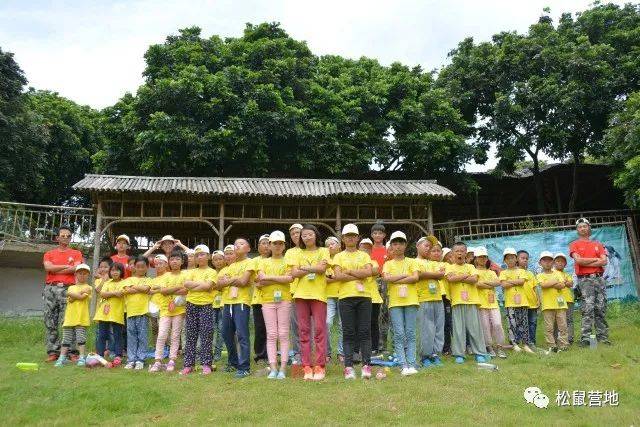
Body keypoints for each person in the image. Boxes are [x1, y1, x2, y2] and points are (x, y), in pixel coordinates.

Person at [332, 224, 374, 379]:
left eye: (353, 235)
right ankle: (348, 367)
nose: (350, 238)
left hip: (364, 297)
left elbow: (369, 272)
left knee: (364, 332)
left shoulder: (364, 255)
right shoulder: (338, 256)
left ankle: (366, 365)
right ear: (343, 239)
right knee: (348, 332)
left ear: (358, 238)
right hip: (345, 298)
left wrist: (348, 271)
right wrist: (359, 274)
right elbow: (338, 276)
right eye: (347, 235)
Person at [289, 224, 330, 381]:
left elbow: (322, 269)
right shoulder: (297, 253)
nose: (306, 237)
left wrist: (304, 268)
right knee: (303, 331)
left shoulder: (324, 251)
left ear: (316, 235)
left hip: (319, 295)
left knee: (319, 331)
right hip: (300, 295)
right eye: (304, 235)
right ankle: (306, 366)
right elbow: (293, 273)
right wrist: (313, 268)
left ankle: (320, 365)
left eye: (309, 234)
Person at [256, 231, 294, 379]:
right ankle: (273, 368)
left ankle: (283, 368)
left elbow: (289, 278)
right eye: (274, 243)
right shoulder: (262, 262)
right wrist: (280, 279)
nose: (277, 246)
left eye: (280, 243)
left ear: (284, 245)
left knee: (283, 334)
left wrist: (269, 278)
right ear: (270, 246)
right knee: (271, 334)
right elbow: (261, 281)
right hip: (267, 300)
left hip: (284, 300)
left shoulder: (288, 261)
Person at [42, 225, 84, 361]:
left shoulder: (76, 253)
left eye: (68, 236)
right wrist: (66, 267)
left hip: (69, 289)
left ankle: (72, 352)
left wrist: (55, 270)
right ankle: (53, 352)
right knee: (50, 321)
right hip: (50, 289)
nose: (66, 238)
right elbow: (48, 267)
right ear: (57, 238)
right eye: (63, 235)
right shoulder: (49, 254)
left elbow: (76, 268)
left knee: (68, 321)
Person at [382, 231, 419, 376]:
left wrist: (396, 278)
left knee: (410, 333)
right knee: (399, 333)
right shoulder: (388, 264)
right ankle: (403, 364)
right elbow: (386, 278)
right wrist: (405, 275)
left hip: (411, 300)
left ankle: (411, 363)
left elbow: (415, 278)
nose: (398, 247)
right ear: (391, 246)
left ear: (405, 245)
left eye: (401, 243)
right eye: (395, 244)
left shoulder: (412, 261)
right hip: (395, 303)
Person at [569, 218, 610, 346]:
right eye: (580, 227)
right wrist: (595, 260)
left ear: (589, 228)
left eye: (585, 226)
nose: (582, 228)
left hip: (599, 279)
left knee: (600, 307)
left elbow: (604, 261)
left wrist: (587, 260)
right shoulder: (574, 244)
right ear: (577, 230)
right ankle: (586, 339)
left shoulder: (598, 244)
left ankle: (603, 338)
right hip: (585, 280)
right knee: (587, 308)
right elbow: (579, 261)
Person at [217, 238, 254, 379]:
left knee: (242, 334)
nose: (237, 246)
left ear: (248, 248)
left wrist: (227, 280)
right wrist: (231, 280)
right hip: (227, 303)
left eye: (241, 244)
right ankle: (233, 362)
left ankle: (244, 367)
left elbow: (243, 282)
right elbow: (218, 286)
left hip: (242, 303)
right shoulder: (228, 267)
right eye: (235, 244)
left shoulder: (250, 262)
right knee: (226, 333)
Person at [445, 242, 488, 364]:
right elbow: (450, 279)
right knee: (458, 329)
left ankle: (479, 352)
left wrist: (458, 277)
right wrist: (465, 276)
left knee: (475, 328)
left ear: (466, 253)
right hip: (457, 301)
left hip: (472, 301)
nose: (459, 253)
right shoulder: (449, 267)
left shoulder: (471, 267)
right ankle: (459, 354)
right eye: (457, 251)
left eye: (462, 251)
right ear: (453, 253)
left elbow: (474, 279)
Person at [181, 244, 217, 375]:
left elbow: (208, 286)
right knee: (191, 334)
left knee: (206, 334)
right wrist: (201, 286)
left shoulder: (212, 272)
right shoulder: (191, 272)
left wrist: (194, 286)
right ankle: (188, 365)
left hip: (206, 305)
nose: (199, 257)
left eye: (202, 254)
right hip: (191, 304)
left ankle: (206, 364)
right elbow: (186, 284)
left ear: (208, 256)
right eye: (197, 255)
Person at [149, 251, 187, 373]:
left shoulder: (185, 275)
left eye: (177, 259)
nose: (174, 261)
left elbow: (186, 290)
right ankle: (158, 361)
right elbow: (163, 292)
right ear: (169, 262)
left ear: (182, 261)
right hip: (165, 309)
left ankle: (172, 360)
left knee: (175, 336)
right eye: (172, 259)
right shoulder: (165, 276)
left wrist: (169, 290)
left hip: (179, 310)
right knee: (162, 335)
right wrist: (176, 288)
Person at [415, 236, 446, 367]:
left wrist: (430, 274)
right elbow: (418, 275)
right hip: (423, 299)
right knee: (426, 329)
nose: (429, 248)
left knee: (439, 327)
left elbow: (442, 274)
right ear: (417, 246)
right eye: (426, 246)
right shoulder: (413, 262)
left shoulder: (434, 262)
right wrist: (435, 275)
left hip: (437, 298)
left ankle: (435, 353)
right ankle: (425, 355)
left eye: (430, 246)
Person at [55, 264, 92, 367]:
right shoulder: (71, 287)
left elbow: (80, 297)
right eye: (80, 273)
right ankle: (62, 358)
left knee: (81, 338)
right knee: (66, 338)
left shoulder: (89, 287)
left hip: (81, 317)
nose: (82, 275)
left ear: (88, 275)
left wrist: (69, 293)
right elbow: (72, 299)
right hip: (69, 318)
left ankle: (81, 358)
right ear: (76, 274)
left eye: (85, 274)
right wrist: (73, 294)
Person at [474, 247, 507, 359]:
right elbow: (476, 284)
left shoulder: (492, 272)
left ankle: (500, 346)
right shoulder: (473, 271)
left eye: (484, 257)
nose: (483, 259)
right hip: (481, 304)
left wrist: (485, 283)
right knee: (485, 326)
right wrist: (490, 284)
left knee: (497, 324)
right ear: (476, 258)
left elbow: (497, 282)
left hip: (493, 303)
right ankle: (489, 347)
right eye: (480, 257)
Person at [499, 248, 534, 353]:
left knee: (524, 323)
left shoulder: (522, 271)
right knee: (512, 323)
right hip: (510, 303)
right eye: (508, 258)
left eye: (512, 258)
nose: (510, 260)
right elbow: (504, 284)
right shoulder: (503, 272)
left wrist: (510, 281)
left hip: (523, 302)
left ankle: (525, 344)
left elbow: (522, 282)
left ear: (516, 259)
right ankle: (514, 343)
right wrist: (515, 282)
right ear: (505, 260)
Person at [94, 262, 126, 366]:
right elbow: (102, 293)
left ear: (121, 272)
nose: (115, 272)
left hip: (117, 312)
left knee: (117, 335)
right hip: (104, 313)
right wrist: (114, 293)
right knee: (102, 335)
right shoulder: (107, 282)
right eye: (112, 270)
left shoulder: (124, 282)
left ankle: (118, 355)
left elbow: (121, 293)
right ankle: (100, 356)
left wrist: (110, 294)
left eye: (117, 270)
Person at [122, 256, 151, 370]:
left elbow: (146, 289)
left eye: (142, 266)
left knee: (142, 337)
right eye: (137, 266)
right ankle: (131, 360)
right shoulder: (128, 280)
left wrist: (133, 288)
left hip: (143, 312)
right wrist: (139, 288)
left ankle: (140, 360)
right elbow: (126, 290)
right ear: (134, 267)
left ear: (147, 267)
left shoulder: (149, 280)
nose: (140, 269)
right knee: (131, 337)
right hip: (130, 312)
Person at [537, 251, 569, 353]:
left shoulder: (558, 273)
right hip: (547, 305)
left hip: (560, 304)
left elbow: (562, 285)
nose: (547, 262)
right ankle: (552, 345)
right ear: (540, 263)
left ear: (553, 262)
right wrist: (555, 282)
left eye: (550, 260)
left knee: (563, 326)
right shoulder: (540, 275)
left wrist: (550, 283)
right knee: (549, 327)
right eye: (544, 260)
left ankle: (564, 345)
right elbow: (543, 285)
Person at [358, 238, 383, 357]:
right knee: (360, 324)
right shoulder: (355, 260)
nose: (366, 250)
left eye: (368, 248)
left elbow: (374, 271)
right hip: (359, 296)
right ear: (359, 248)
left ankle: (374, 348)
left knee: (373, 323)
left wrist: (357, 271)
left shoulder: (373, 262)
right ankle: (359, 348)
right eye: (363, 247)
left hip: (374, 298)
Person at [284, 223, 303, 365]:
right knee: (296, 325)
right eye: (293, 233)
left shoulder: (312, 250)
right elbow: (290, 273)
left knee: (314, 326)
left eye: (298, 232)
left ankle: (313, 354)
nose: (296, 235)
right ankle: (297, 353)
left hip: (313, 293)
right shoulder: (290, 252)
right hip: (294, 292)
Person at [370, 222, 390, 353]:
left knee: (384, 314)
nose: (377, 235)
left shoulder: (388, 251)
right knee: (372, 315)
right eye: (375, 233)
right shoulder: (367, 250)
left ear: (384, 235)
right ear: (371, 235)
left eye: (380, 233)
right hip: (371, 282)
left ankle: (383, 346)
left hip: (385, 282)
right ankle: (372, 346)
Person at [251, 235, 270, 366]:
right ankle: (260, 355)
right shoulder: (254, 261)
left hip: (276, 299)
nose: (266, 245)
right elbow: (256, 280)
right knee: (260, 328)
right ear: (258, 247)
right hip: (259, 299)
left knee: (274, 330)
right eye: (263, 243)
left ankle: (273, 354)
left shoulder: (279, 259)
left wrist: (265, 279)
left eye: (269, 243)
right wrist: (273, 280)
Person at [324, 235, 344, 363]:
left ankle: (342, 352)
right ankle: (327, 352)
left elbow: (344, 275)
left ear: (339, 246)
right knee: (326, 323)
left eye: (333, 244)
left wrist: (332, 277)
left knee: (344, 325)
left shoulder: (343, 258)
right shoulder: (323, 260)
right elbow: (321, 278)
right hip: (328, 296)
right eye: (327, 244)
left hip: (343, 294)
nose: (330, 246)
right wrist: (336, 276)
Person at [517, 250, 540, 349]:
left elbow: (535, 288)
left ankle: (532, 342)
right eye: (522, 258)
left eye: (527, 258)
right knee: (521, 323)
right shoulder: (515, 272)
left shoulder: (530, 273)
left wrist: (538, 299)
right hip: (521, 303)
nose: (525, 260)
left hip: (532, 303)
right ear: (516, 259)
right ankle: (521, 342)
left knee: (533, 322)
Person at [554, 253, 575, 344]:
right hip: (559, 300)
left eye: (562, 261)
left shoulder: (567, 274)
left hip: (568, 300)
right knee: (558, 319)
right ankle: (557, 338)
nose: (560, 263)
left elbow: (570, 284)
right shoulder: (553, 274)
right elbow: (555, 283)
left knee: (569, 319)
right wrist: (564, 282)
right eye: (558, 261)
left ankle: (569, 338)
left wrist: (563, 282)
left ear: (565, 264)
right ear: (554, 263)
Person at [211, 250, 226, 362]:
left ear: (224, 260)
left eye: (220, 259)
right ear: (212, 261)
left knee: (221, 329)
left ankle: (218, 352)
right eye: (215, 259)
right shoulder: (210, 272)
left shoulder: (227, 271)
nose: (218, 261)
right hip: (210, 304)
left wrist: (214, 286)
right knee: (210, 329)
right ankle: (208, 351)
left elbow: (221, 286)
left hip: (223, 304)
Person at [441, 247, 453, 355]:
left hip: (451, 297)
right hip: (444, 297)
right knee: (446, 323)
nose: (452, 258)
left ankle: (449, 347)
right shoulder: (445, 266)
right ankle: (446, 348)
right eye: (449, 256)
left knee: (449, 323)